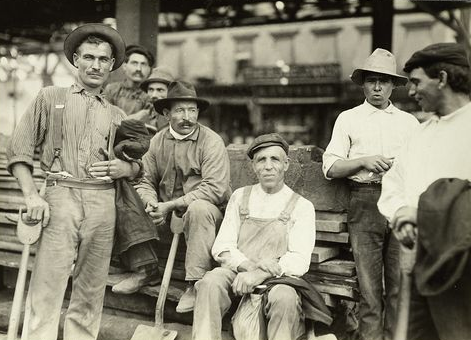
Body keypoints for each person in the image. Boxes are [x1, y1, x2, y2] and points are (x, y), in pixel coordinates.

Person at [7, 23, 141, 340]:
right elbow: (19, 150)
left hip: (103, 202)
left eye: (103, 59)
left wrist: (126, 170)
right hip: (60, 195)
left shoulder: (118, 115)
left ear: (111, 65)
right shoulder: (50, 97)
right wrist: (31, 196)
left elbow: (138, 167)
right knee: (48, 283)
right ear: (76, 59)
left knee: (92, 286)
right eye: (89, 57)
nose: (96, 65)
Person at [192, 133, 332, 340]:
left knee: (284, 298)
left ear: (286, 164)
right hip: (239, 272)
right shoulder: (240, 197)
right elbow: (222, 247)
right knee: (209, 283)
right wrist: (248, 267)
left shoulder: (302, 206)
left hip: (278, 278)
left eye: (275, 159)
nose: (268, 166)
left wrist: (260, 274)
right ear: (253, 166)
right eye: (261, 160)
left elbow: (299, 259)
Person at [322, 48, 419, 340]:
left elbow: (420, 168)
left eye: (384, 81)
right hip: (364, 200)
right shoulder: (348, 119)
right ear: (363, 84)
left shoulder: (409, 123)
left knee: (400, 286)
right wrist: (363, 161)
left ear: (393, 85)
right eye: (372, 81)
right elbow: (330, 166)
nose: (378, 87)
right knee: (369, 289)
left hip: (400, 202)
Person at [378, 42, 471, 340]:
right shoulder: (419, 135)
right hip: (418, 258)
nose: (411, 91)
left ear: (442, 78)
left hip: (462, 264)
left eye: (417, 82)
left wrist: (423, 214)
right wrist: (401, 218)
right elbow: (393, 185)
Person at [135, 80, 232, 313]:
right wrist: (151, 203)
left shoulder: (211, 141)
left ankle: (194, 284)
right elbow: (144, 179)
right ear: (167, 113)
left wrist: (171, 205)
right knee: (131, 199)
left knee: (198, 208)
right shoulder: (156, 141)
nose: (187, 116)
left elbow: (215, 188)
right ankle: (143, 271)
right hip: (168, 217)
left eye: (192, 110)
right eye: (180, 110)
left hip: (209, 217)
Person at [111, 65, 174, 295]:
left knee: (128, 195)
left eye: (161, 89)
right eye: (152, 89)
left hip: (171, 189)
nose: (156, 94)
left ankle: (145, 268)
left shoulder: (177, 120)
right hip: (148, 182)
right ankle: (130, 264)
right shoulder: (144, 119)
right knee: (121, 190)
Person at [103, 44, 155, 124]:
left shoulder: (151, 94)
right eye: (134, 63)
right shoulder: (111, 90)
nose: (139, 69)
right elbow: (105, 119)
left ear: (150, 70)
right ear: (124, 66)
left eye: (143, 64)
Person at [140, 65, 174, 131]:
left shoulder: (176, 118)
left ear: (170, 92)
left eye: (160, 90)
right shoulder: (142, 117)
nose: (154, 95)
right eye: (151, 90)